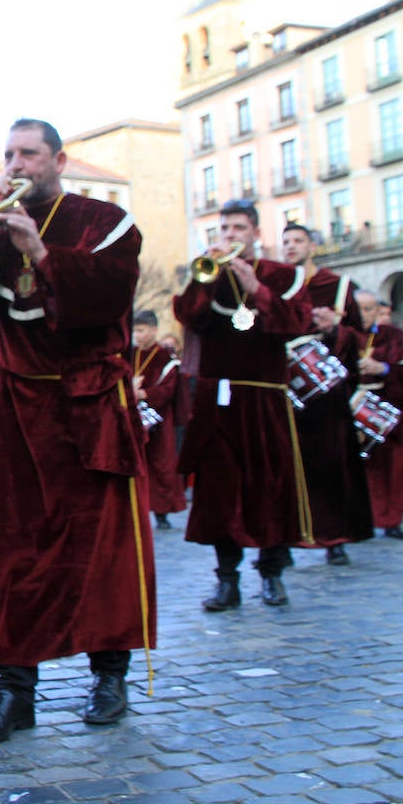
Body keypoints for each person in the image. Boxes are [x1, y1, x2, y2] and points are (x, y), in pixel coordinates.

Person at [0, 118, 154, 744]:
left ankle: (109, 677)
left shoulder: (105, 221)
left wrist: (39, 250)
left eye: (28, 154)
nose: (15, 165)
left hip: (88, 406)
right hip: (18, 407)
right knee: (10, 552)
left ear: (58, 160)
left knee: (102, 549)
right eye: (8, 154)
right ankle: (13, 692)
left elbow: (107, 298)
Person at [175, 199, 313, 611]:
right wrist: (203, 280)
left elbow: (296, 323)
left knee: (271, 485)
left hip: (265, 398)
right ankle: (227, 580)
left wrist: (256, 288)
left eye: (238, 228)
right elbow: (189, 317)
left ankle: (271, 574)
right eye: (224, 229)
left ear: (255, 232)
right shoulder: (210, 272)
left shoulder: (283, 275)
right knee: (220, 489)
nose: (230, 235)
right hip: (218, 398)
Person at [279, 224, 372, 565]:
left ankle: (335, 537)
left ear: (311, 246)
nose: (291, 246)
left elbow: (360, 337)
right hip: (285, 387)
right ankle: (285, 539)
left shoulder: (338, 286)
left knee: (331, 464)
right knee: (287, 466)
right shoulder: (276, 284)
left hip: (328, 392)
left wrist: (334, 328)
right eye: (286, 241)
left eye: (298, 241)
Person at [130, 310, 185, 530]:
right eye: (135, 331)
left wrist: (144, 393)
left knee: (161, 466)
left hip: (159, 420)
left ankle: (162, 512)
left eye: (141, 330)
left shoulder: (164, 358)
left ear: (154, 330)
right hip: (132, 417)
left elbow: (168, 389)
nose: (137, 335)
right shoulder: (129, 355)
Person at [355, 289, 403, 538]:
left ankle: (391, 519)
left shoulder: (392, 336)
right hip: (349, 407)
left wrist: (383, 368)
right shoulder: (344, 334)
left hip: (386, 407)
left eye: (368, 309)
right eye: (358, 309)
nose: (363, 315)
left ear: (377, 311)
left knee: (392, 466)